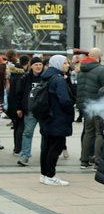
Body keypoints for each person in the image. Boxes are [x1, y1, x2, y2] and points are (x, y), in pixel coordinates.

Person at [38, 55, 74, 186]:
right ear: (58, 64)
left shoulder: (47, 76)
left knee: (46, 146)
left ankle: (44, 175)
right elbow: (65, 100)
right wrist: (71, 111)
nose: (68, 65)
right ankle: (50, 176)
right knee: (56, 147)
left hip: (47, 117)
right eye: (65, 63)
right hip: (58, 118)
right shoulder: (58, 80)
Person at [75, 47, 104, 169]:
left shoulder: (82, 70)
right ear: (98, 57)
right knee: (99, 133)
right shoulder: (101, 69)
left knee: (88, 132)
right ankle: (98, 161)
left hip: (86, 106)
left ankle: (84, 160)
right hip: (98, 106)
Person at [15, 57, 44, 167]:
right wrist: (19, 108)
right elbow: (19, 93)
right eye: (36, 64)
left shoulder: (46, 77)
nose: (38, 67)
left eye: (40, 64)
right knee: (27, 133)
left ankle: (44, 156)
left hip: (42, 110)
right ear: (31, 65)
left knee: (45, 134)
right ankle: (25, 156)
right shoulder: (25, 78)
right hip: (30, 110)